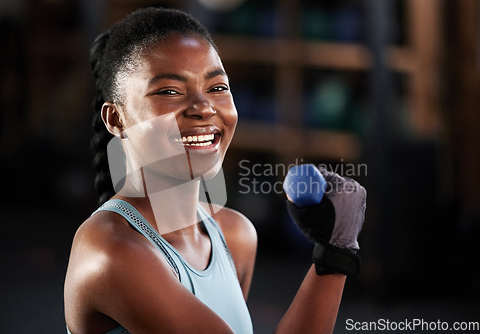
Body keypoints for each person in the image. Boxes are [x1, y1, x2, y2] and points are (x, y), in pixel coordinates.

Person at [64, 7, 366, 334]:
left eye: (217, 87)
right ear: (116, 120)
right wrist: (336, 255)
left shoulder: (235, 235)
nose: (204, 107)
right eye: (170, 91)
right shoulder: (111, 253)